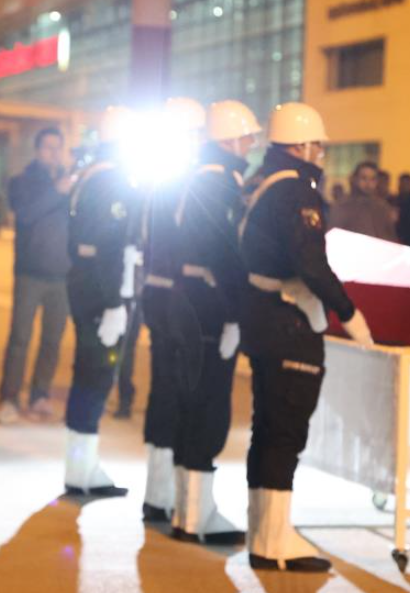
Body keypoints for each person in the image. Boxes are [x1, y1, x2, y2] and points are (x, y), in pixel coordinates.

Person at [239, 102, 373, 572]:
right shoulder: (296, 191)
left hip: (264, 317)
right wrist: (349, 312)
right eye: (318, 146)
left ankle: (263, 530)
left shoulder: (263, 183)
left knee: (267, 428)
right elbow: (311, 262)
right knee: (285, 431)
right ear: (302, 146)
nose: (322, 154)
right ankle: (275, 540)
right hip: (289, 320)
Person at [167, 100, 258, 545]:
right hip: (210, 303)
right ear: (231, 140)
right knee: (209, 403)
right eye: (247, 137)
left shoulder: (200, 177)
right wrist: (234, 313)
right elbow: (224, 254)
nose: (252, 145)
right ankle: (197, 515)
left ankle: (188, 511)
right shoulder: (219, 183)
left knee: (191, 401)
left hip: (190, 299)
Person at [62, 106, 142, 496]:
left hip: (85, 285)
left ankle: (81, 466)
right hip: (101, 291)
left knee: (88, 374)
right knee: (95, 378)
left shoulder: (91, 175)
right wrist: (113, 302)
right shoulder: (111, 180)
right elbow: (109, 246)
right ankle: (81, 471)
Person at [138, 97, 206, 522]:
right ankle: (176, 496)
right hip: (181, 299)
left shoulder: (158, 179)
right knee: (183, 394)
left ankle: (158, 494)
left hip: (158, 295)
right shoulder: (191, 181)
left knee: (163, 391)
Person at [0, 127, 73, 424]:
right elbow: (26, 214)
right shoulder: (22, 181)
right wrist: (57, 192)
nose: (54, 153)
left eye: (58, 147)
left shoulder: (70, 182)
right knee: (20, 338)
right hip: (30, 273)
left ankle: (40, 394)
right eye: (48, 147)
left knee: (52, 339)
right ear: (38, 150)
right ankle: (9, 398)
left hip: (63, 275)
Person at [329, 161, 398, 241]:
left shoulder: (382, 207)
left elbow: (390, 236)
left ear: (376, 181)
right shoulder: (343, 206)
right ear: (355, 179)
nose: (368, 183)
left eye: (372, 179)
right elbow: (333, 235)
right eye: (363, 178)